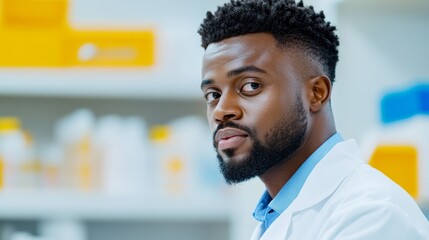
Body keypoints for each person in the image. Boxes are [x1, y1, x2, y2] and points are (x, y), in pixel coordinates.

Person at [198, 0, 429, 239]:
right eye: (213, 95)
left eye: (250, 86)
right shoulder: (273, 216)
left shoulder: (372, 216)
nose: (221, 110)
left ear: (317, 93)